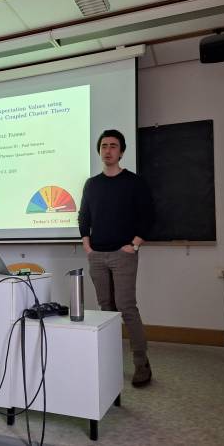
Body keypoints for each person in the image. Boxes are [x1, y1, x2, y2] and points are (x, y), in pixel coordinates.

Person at [78, 129, 152, 387]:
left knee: (127, 307)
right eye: (104, 146)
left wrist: (134, 245)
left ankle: (141, 364)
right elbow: (84, 216)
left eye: (113, 146)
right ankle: (110, 361)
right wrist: (87, 246)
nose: (107, 150)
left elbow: (148, 216)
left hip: (123, 255)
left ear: (121, 152)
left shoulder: (134, 182)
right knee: (106, 309)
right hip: (97, 255)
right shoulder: (92, 184)